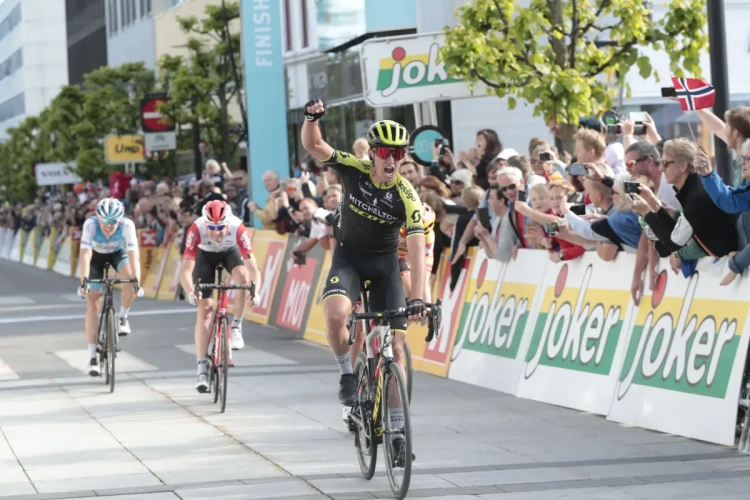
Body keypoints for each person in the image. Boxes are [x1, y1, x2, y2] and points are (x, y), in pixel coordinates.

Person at [301, 99, 427, 456]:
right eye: (385, 151)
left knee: (397, 347)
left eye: (399, 154)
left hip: (385, 265)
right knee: (337, 315)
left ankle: (399, 433)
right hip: (349, 260)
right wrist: (312, 119)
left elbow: (417, 248)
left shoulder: (407, 195)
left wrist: (416, 295)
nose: (392, 160)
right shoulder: (354, 168)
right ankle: (346, 372)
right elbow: (314, 145)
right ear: (373, 153)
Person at [179, 200, 262, 393]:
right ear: (205, 224)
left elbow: (253, 268)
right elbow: (185, 270)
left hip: (229, 253)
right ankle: (201, 369)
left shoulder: (238, 228)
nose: (216, 232)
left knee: (242, 277)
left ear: (228, 223)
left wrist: (255, 291)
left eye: (221, 228)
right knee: (206, 309)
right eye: (212, 228)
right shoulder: (196, 229)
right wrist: (191, 291)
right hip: (205, 256)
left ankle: (236, 326)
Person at [77, 198, 143, 376]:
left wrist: (136, 280)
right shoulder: (90, 225)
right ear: (98, 218)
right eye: (104, 221)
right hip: (96, 259)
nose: (108, 225)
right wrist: (83, 280)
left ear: (120, 219)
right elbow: (85, 255)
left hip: (117, 254)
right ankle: (92, 357)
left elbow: (133, 255)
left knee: (130, 278)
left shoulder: (127, 225)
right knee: (93, 302)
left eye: (113, 222)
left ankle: (122, 318)